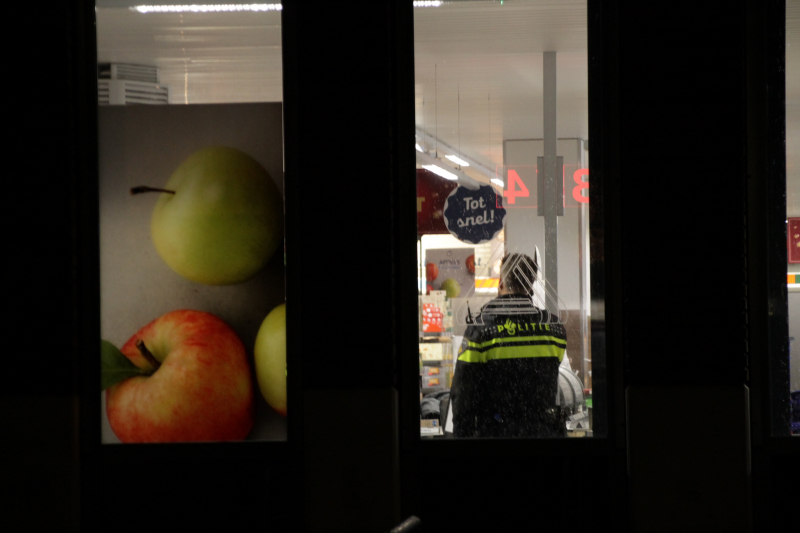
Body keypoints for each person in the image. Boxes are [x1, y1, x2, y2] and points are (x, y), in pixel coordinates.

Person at [449, 252, 567, 438]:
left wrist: (462, 436)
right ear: (530, 286)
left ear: (501, 283)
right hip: (543, 435)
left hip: (496, 435)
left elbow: (463, 393)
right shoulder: (554, 329)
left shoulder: (480, 330)